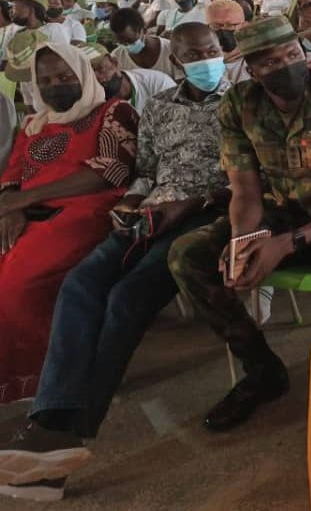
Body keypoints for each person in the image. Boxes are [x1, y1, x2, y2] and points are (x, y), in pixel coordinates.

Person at [0, 24, 231, 500]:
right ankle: (51, 423)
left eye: (211, 51)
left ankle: (62, 436)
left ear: (223, 53)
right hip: (151, 211)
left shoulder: (242, 103)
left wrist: (186, 206)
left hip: (208, 213)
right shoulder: (162, 107)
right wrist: (131, 202)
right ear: (176, 60)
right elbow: (144, 171)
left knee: (126, 296)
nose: (203, 60)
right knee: (83, 283)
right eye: (193, 54)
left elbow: (249, 176)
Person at [168, 15, 311, 432]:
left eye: (292, 54)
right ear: (251, 70)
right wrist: (243, 240)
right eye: (269, 63)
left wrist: (287, 244)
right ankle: (262, 370)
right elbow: (245, 192)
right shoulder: (239, 104)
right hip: (279, 211)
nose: (285, 66)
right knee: (187, 255)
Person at [0, 42, 138, 406]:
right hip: (25, 215)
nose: (54, 85)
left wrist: (25, 199)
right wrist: (11, 207)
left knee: (17, 282)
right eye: (45, 81)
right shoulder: (34, 124)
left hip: (84, 212)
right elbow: (12, 175)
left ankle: (38, 377)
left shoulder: (113, 111)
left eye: (64, 76)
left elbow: (112, 171)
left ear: (83, 74)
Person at [87, 43, 176, 115]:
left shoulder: (159, 84)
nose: (96, 77)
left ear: (114, 62)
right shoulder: (89, 104)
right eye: (88, 75)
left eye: (100, 68)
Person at [109, 7, 173, 76]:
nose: (126, 46)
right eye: (121, 43)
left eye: (130, 41)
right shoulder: (117, 58)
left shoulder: (170, 50)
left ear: (144, 30)